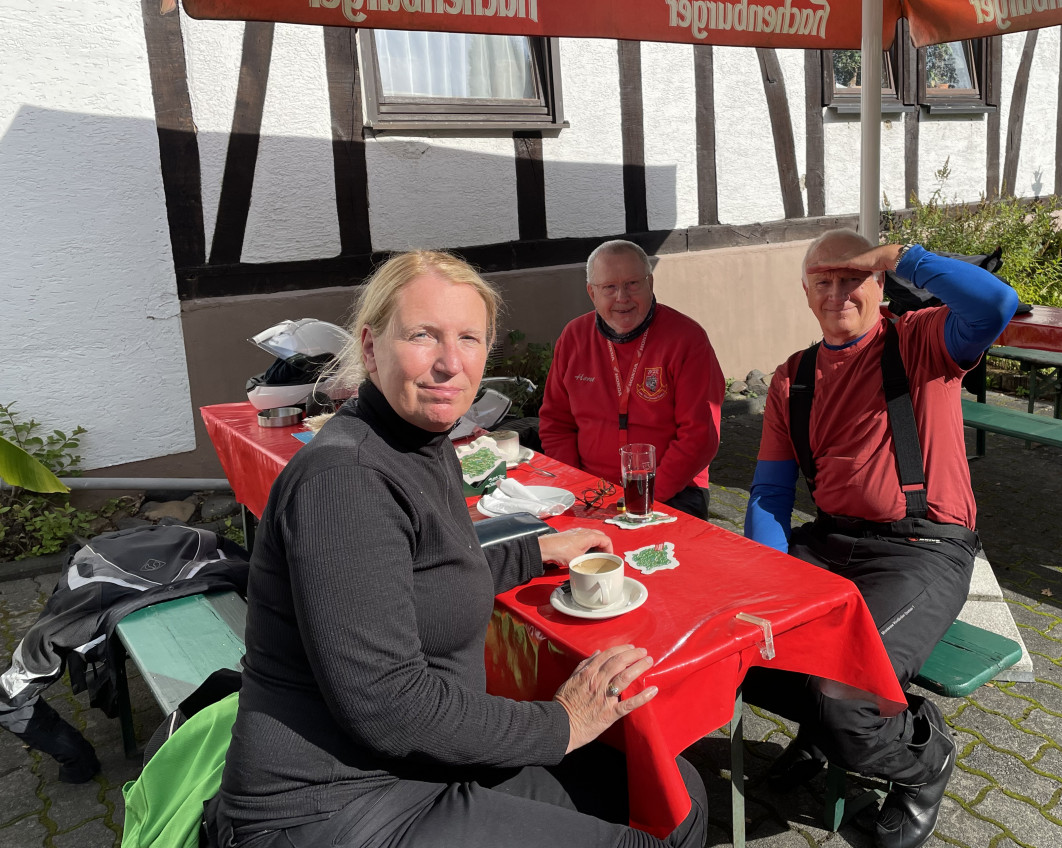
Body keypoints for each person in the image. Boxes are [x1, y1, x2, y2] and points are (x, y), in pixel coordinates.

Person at [213, 250, 707, 848]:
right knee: (647, 836)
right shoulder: (344, 480)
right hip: (333, 805)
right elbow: (388, 705)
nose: (450, 363)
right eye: (423, 335)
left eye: (469, 338)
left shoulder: (421, 442)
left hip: (422, 764)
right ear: (370, 347)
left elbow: (428, 572)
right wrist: (561, 724)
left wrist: (534, 552)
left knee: (674, 794)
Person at [742, 229, 1018, 848]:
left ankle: (924, 758)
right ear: (805, 292)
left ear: (878, 284)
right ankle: (824, 733)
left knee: (846, 698)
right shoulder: (793, 378)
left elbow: (996, 304)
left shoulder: (921, 340)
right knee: (732, 649)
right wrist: (767, 581)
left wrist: (898, 257)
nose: (837, 292)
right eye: (824, 280)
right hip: (831, 541)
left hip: (922, 549)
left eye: (853, 277)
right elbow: (770, 495)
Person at [540, 240, 724, 520]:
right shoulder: (574, 337)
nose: (622, 297)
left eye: (633, 284)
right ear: (592, 292)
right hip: (590, 487)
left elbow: (699, 436)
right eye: (609, 287)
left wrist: (643, 498)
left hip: (672, 489)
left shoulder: (687, 339)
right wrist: (575, 485)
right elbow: (556, 423)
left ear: (650, 283)